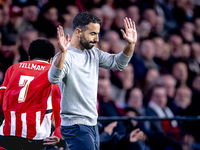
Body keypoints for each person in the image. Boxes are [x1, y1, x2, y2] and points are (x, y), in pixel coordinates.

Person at [48, 11, 137, 150]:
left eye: (98, 33)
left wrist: (130, 45)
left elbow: (119, 64)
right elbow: (53, 78)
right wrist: (63, 54)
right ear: (78, 32)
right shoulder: (65, 56)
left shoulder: (94, 53)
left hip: (91, 124)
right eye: (92, 33)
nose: (96, 39)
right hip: (75, 125)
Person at [0, 39, 61, 150]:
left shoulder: (13, 68)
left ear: (29, 57)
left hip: (7, 133)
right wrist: (58, 131)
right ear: (51, 59)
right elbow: (59, 101)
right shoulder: (51, 72)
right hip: (36, 136)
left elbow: (1, 97)